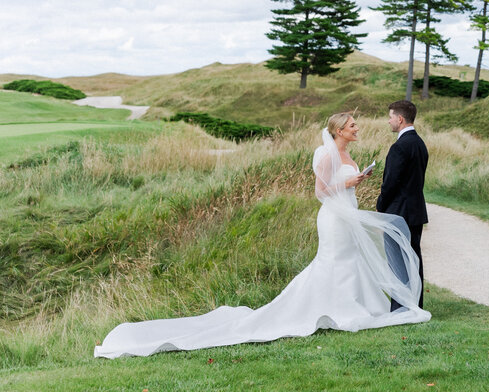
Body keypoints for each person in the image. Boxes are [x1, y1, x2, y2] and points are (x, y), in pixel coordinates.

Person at [94, 112, 429, 359]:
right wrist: (348, 183)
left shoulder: (348, 155)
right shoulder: (325, 154)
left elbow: (340, 185)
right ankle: (326, 308)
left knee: (351, 260)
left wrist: (356, 180)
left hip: (348, 215)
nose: (358, 129)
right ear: (339, 130)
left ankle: (356, 306)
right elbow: (320, 191)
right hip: (332, 218)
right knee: (332, 261)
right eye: (353, 126)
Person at [376, 100, 429, 309]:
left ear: (400, 119)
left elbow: (390, 183)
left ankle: (400, 308)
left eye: (390, 117)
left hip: (398, 212)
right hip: (415, 212)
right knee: (413, 259)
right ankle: (415, 304)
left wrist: (381, 205)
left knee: (398, 262)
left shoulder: (399, 147)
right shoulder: (419, 143)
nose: (388, 121)